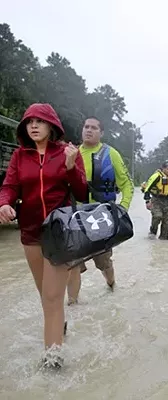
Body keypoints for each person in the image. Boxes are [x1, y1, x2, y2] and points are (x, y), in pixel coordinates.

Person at [0, 103, 87, 368]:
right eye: (29, 122)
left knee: (51, 297)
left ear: (52, 126)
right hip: (30, 232)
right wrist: (4, 203)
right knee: (46, 296)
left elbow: (82, 193)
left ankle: (53, 360)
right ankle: (59, 326)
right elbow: (10, 186)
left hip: (59, 232)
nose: (34, 125)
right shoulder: (19, 156)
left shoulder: (67, 152)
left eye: (40, 121)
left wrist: (71, 167)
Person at [67, 117, 134, 303]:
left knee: (103, 262)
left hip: (101, 217)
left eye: (94, 128)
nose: (89, 130)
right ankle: (72, 303)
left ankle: (111, 284)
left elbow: (127, 184)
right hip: (76, 217)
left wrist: (123, 208)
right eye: (86, 127)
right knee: (72, 264)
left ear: (101, 133)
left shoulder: (111, 154)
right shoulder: (72, 153)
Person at [144, 161, 168, 240]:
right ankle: (152, 232)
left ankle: (163, 240)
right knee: (157, 216)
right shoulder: (157, 176)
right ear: (163, 169)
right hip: (156, 199)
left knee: (166, 221)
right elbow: (147, 189)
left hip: (166, 200)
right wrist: (147, 201)